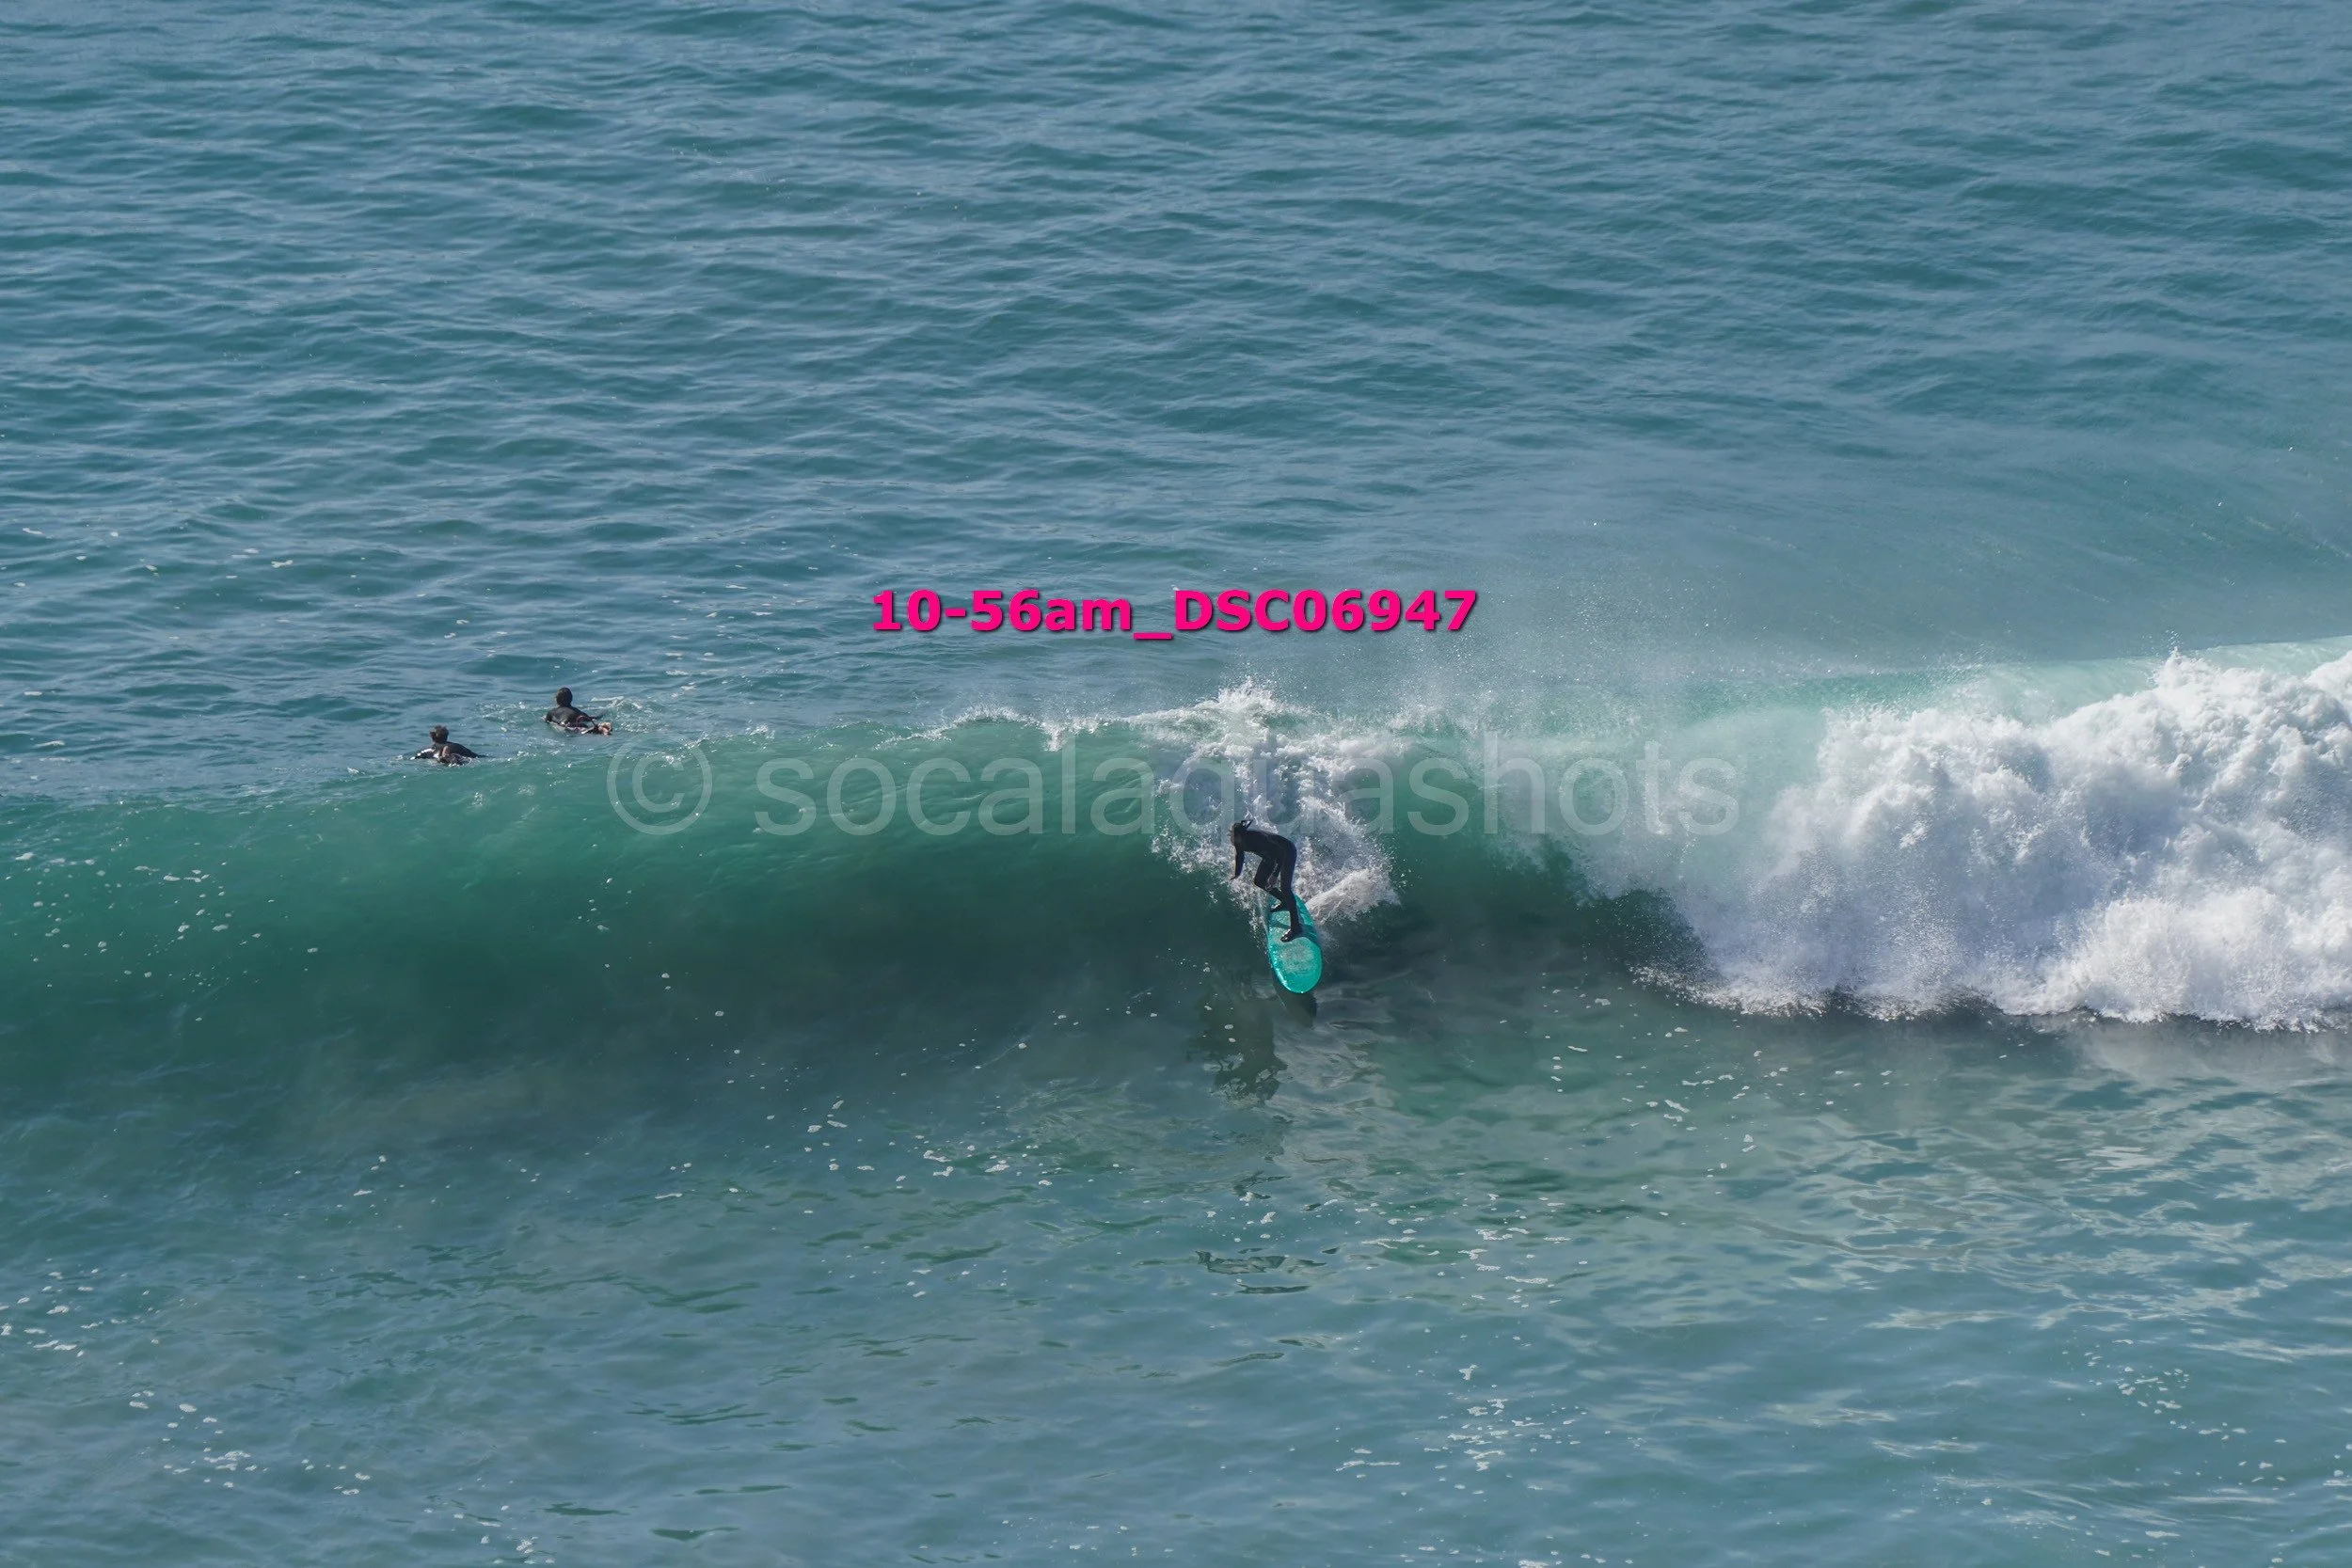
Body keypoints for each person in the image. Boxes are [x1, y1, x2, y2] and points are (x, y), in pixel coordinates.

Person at [1231, 819, 1308, 942]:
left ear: (1241, 835)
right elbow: (1239, 854)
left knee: (1285, 888)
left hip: (1286, 852)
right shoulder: (1238, 842)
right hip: (1270, 856)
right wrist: (1237, 873)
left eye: (1233, 835)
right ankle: (1284, 901)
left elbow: (1280, 855)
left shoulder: (1259, 838)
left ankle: (1296, 927)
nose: (1231, 838)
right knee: (1259, 881)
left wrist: (1275, 875)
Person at [544, 688, 612, 736]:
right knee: (584, 727)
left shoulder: (552, 712)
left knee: (574, 730)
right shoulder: (577, 711)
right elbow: (592, 718)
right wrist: (603, 713)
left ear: (557, 700)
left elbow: (547, 721)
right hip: (579, 721)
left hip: (567, 724)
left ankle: (596, 729)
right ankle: (600, 726)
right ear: (571, 699)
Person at [414, 725, 480, 766]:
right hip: (457, 759)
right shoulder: (456, 746)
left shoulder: (428, 749)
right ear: (446, 735)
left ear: (432, 737)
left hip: (437, 762)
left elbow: (415, 758)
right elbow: (476, 756)